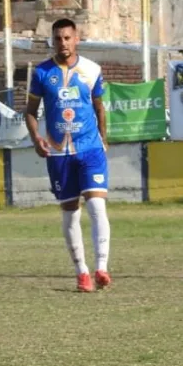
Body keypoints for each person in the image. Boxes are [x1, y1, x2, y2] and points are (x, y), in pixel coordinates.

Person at [25, 18, 112, 293]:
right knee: (71, 213)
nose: (62, 43)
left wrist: (103, 138)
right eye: (58, 38)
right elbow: (30, 111)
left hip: (90, 149)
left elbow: (99, 107)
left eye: (67, 38)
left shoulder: (92, 70)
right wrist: (36, 138)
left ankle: (101, 267)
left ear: (77, 39)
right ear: (52, 40)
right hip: (58, 153)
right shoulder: (41, 73)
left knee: (97, 206)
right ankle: (82, 272)